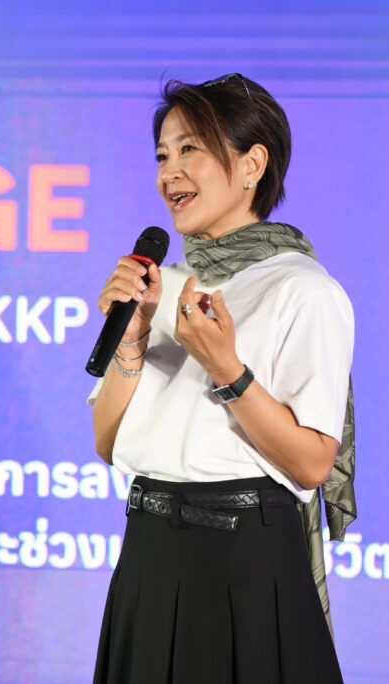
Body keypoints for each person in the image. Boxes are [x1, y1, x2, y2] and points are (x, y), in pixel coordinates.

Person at [88, 74, 354, 683]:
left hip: (243, 560)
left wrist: (226, 369)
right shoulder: (161, 284)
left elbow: (313, 463)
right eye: (162, 155)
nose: (169, 173)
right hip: (148, 551)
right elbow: (107, 442)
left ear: (252, 164)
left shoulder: (303, 289)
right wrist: (132, 336)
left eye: (190, 149)